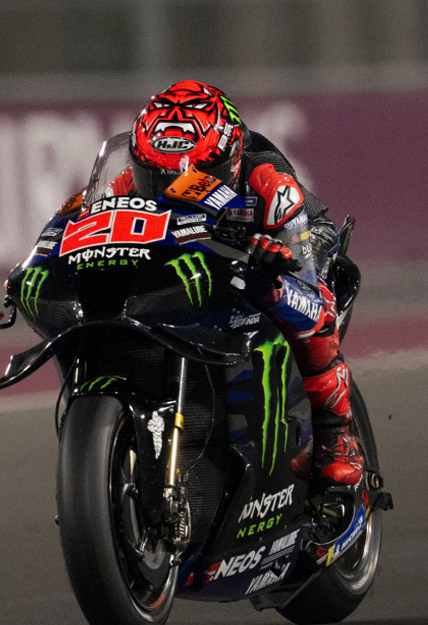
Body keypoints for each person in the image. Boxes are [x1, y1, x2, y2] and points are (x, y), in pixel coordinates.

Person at [110, 80, 362, 491]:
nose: (172, 190)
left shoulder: (269, 181)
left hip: (291, 238)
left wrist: (274, 257)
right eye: (152, 176)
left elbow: (302, 275)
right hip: (192, 257)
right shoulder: (126, 184)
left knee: (306, 305)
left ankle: (337, 437)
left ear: (230, 161)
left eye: (195, 178)